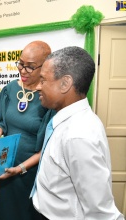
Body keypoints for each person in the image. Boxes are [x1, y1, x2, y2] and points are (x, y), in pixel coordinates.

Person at [32, 46, 124, 220]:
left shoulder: (78, 135)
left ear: (65, 83)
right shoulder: (66, 121)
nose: (37, 86)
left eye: (43, 80)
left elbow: (101, 212)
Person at [0, 41, 55, 220]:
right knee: (7, 213)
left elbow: (48, 145)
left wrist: (21, 169)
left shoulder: (49, 97)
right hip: (7, 166)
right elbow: (4, 122)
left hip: (32, 172)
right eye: (21, 63)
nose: (22, 70)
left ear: (45, 66)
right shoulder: (11, 89)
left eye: (30, 67)